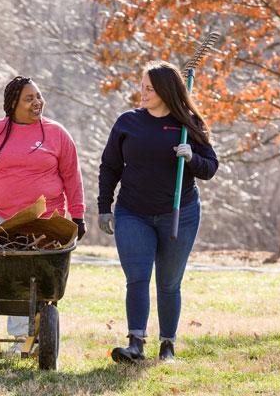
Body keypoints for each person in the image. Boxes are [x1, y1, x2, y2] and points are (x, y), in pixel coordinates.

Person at [97, 61, 218, 363]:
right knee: (137, 278)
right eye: (142, 86)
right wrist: (104, 207)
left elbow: (210, 168)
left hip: (180, 212)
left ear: (165, 91)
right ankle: (135, 344)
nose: (143, 92)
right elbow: (109, 167)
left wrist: (191, 158)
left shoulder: (188, 125)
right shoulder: (128, 122)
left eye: (149, 88)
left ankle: (168, 347)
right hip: (132, 212)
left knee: (168, 282)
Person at [0, 75, 86, 348]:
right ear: (13, 104)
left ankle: (34, 331)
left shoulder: (56, 134)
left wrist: (77, 216)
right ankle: (21, 335)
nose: (37, 103)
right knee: (7, 278)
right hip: (2, 221)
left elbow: (72, 177)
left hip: (45, 223)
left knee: (38, 279)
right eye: (29, 99)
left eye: (38, 97)